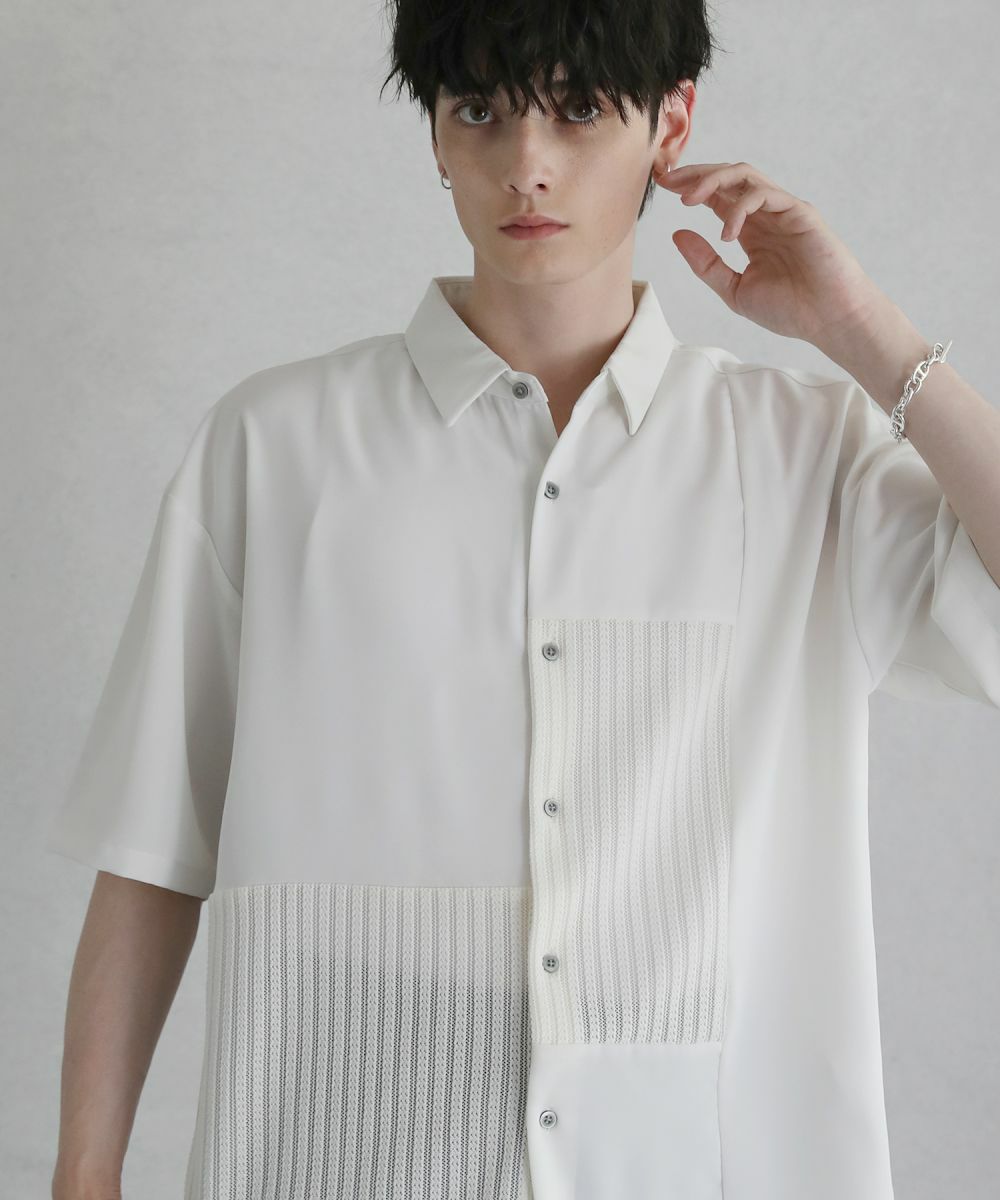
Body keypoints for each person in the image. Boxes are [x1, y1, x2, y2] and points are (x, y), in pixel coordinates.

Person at [46, 1, 1000, 1198]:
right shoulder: (273, 448)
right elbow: (152, 849)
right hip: (344, 1158)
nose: (526, 164)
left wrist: (864, 332)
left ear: (672, 125)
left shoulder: (798, 454)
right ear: (435, 136)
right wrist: (84, 1174)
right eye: (481, 111)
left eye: (579, 109)